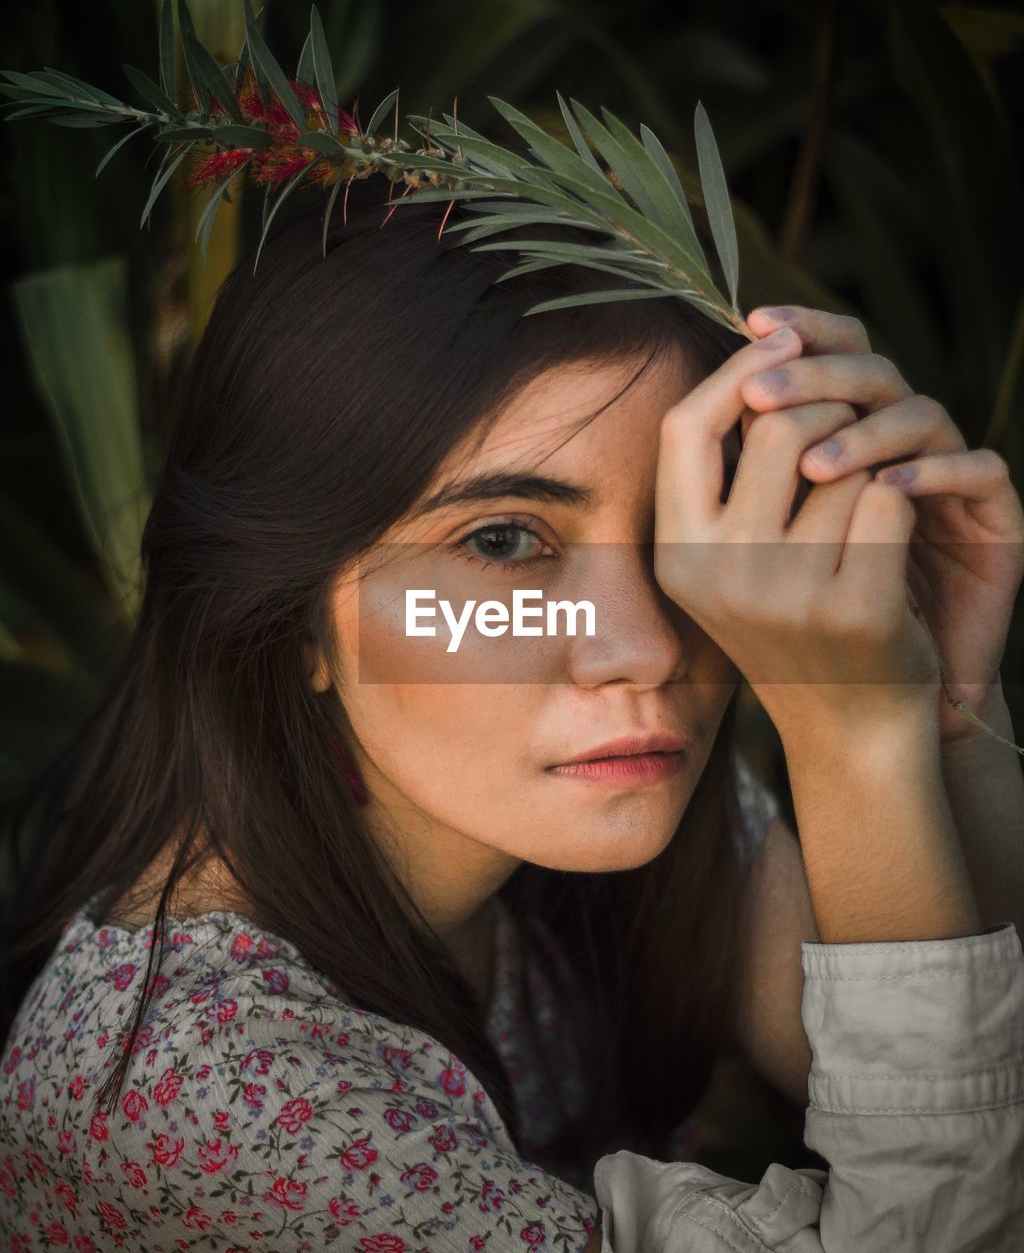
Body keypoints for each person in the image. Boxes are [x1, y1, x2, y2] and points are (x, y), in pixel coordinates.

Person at [0, 175, 1022, 1251]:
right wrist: (855, 734)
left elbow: (976, 1080)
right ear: (293, 617)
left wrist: (946, 717)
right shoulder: (207, 1095)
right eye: (501, 540)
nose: (647, 646)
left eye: (680, 529)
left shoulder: (592, 794)